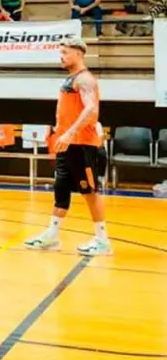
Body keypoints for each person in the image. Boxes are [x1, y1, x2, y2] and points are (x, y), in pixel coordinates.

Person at [24, 37, 111, 256]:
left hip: (82, 144)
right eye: (60, 52)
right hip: (67, 145)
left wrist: (71, 132)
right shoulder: (71, 80)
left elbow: (91, 109)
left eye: (65, 52)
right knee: (61, 189)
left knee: (89, 191)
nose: (61, 57)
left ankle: (102, 240)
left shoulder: (85, 80)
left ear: (79, 54)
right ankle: (52, 236)